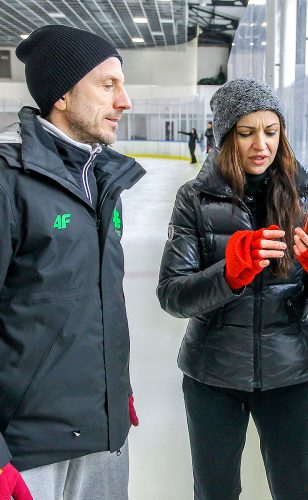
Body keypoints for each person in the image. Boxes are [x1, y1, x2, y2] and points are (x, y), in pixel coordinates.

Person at [157, 78, 308, 499]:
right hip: (213, 374)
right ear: (226, 136)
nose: (260, 145)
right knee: (215, 492)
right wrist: (228, 273)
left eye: (271, 131)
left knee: (296, 492)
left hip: (289, 373)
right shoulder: (194, 199)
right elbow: (172, 295)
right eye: (246, 133)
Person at [0, 25, 144, 499]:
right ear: (62, 93)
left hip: (102, 435)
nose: (124, 101)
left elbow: (93, 302)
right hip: (27, 451)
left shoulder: (103, 178)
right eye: (108, 85)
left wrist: (113, 388)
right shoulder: (8, 180)